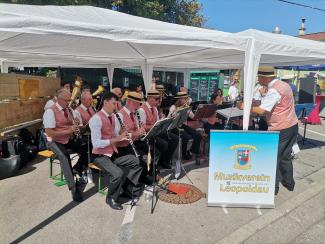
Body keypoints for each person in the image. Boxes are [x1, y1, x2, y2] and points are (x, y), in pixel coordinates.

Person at [237, 66, 298, 195]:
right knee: (285, 156)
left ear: (265, 77)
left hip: (281, 127)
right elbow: (271, 102)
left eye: (259, 77)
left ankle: (273, 188)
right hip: (292, 125)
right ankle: (289, 183)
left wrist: (245, 106)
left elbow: (262, 110)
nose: (258, 80)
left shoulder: (274, 90)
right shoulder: (283, 85)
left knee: (273, 158)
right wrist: (257, 100)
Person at [89, 92, 143, 210]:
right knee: (118, 173)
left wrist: (123, 134)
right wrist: (116, 139)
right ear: (105, 102)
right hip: (99, 156)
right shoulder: (96, 119)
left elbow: (115, 135)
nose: (116, 106)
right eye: (114, 103)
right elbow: (96, 143)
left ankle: (126, 189)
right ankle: (111, 198)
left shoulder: (113, 117)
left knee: (136, 161)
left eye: (116, 103)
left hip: (112, 153)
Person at [43, 88, 88, 202]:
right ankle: (73, 189)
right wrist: (70, 130)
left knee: (87, 148)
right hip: (54, 141)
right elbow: (50, 133)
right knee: (64, 157)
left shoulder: (69, 110)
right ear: (58, 99)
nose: (69, 103)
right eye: (66, 100)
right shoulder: (50, 111)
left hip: (68, 138)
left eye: (69, 100)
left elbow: (72, 124)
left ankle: (76, 169)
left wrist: (77, 125)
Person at [137, 90, 178, 169]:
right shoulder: (142, 109)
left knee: (175, 138)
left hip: (156, 131)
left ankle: (165, 160)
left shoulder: (155, 108)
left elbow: (157, 121)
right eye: (156, 99)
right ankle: (158, 163)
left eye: (159, 99)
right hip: (148, 134)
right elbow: (143, 127)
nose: (158, 101)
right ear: (149, 98)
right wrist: (156, 125)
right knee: (164, 144)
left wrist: (163, 120)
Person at [168, 92, 202, 162]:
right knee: (186, 137)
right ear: (180, 99)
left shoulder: (186, 107)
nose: (187, 100)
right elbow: (169, 118)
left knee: (198, 135)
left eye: (187, 98)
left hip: (182, 125)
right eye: (185, 98)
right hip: (174, 126)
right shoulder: (173, 107)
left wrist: (199, 112)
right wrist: (178, 111)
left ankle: (193, 152)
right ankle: (183, 155)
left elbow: (193, 117)